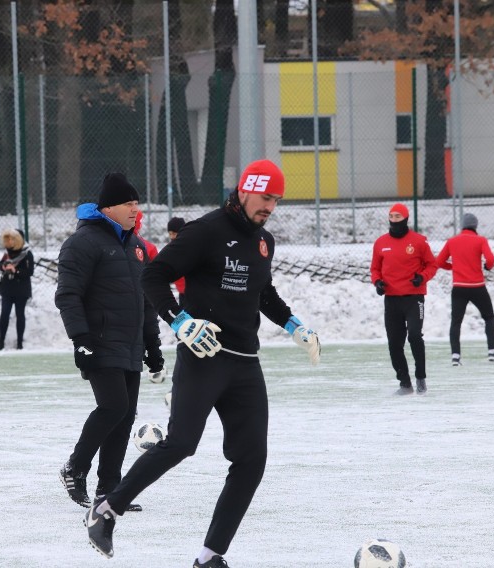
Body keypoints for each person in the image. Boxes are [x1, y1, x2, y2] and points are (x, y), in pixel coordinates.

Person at [84, 160, 321, 568]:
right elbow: (154, 276)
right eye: (265, 198)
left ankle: (210, 556)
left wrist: (294, 325)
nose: (270, 207)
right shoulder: (206, 232)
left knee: (251, 460)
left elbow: (262, 291)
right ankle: (106, 510)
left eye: (276, 200)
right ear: (245, 191)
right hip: (204, 357)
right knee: (181, 443)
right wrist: (180, 321)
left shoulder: (264, 241)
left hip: (245, 363)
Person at [56, 172, 162, 513]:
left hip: (129, 344)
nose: (135, 209)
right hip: (99, 341)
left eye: (136, 203)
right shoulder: (83, 242)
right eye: (128, 204)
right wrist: (80, 339)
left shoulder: (135, 247)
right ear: (108, 208)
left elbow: (145, 300)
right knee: (114, 406)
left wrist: (153, 345)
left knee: (125, 414)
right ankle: (75, 467)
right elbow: (68, 295)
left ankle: (110, 490)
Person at [370, 203, 438, 395]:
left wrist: (422, 278)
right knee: (394, 343)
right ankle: (405, 383)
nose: (394, 220)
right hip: (392, 300)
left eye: (398, 216)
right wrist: (377, 282)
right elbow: (375, 268)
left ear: (406, 218)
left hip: (413, 298)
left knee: (415, 336)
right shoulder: (380, 243)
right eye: (391, 216)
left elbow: (432, 265)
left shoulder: (419, 241)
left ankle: (420, 378)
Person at [436, 213, 494, 365]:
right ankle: (492, 351)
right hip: (477, 287)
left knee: (456, 322)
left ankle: (455, 356)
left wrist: (453, 267)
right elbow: (490, 259)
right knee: (489, 317)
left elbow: (439, 261)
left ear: (462, 225)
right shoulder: (480, 240)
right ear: (475, 226)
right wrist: (487, 266)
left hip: (459, 288)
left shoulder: (452, 241)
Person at [0, 229, 35, 350]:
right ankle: (1, 342)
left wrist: (16, 271)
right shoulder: (7, 252)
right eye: (9, 239)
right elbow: (0, 266)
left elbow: (30, 272)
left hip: (21, 289)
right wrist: (4, 266)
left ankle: (19, 343)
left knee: (20, 314)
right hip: (7, 289)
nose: (10, 241)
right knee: (4, 314)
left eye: (13, 239)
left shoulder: (27, 253)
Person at [167, 216, 187, 303]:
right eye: (170, 234)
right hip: (182, 291)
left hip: (192, 291)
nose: (172, 237)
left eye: (174, 233)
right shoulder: (171, 249)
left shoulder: (188, 247)